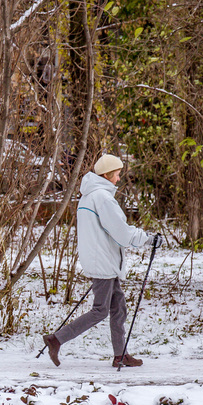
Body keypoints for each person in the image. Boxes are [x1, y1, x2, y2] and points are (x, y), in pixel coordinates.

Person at [43, 153, 157, 368]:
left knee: (119, 307)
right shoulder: (103, 198)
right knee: (101, 310)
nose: (119, 178)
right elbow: (121, 233)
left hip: (101, 259)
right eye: (117, 174)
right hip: (103, 261)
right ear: (106, 174)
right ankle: (56, 339)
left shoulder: (89, 195)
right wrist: (148, 238)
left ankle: (120, 355)